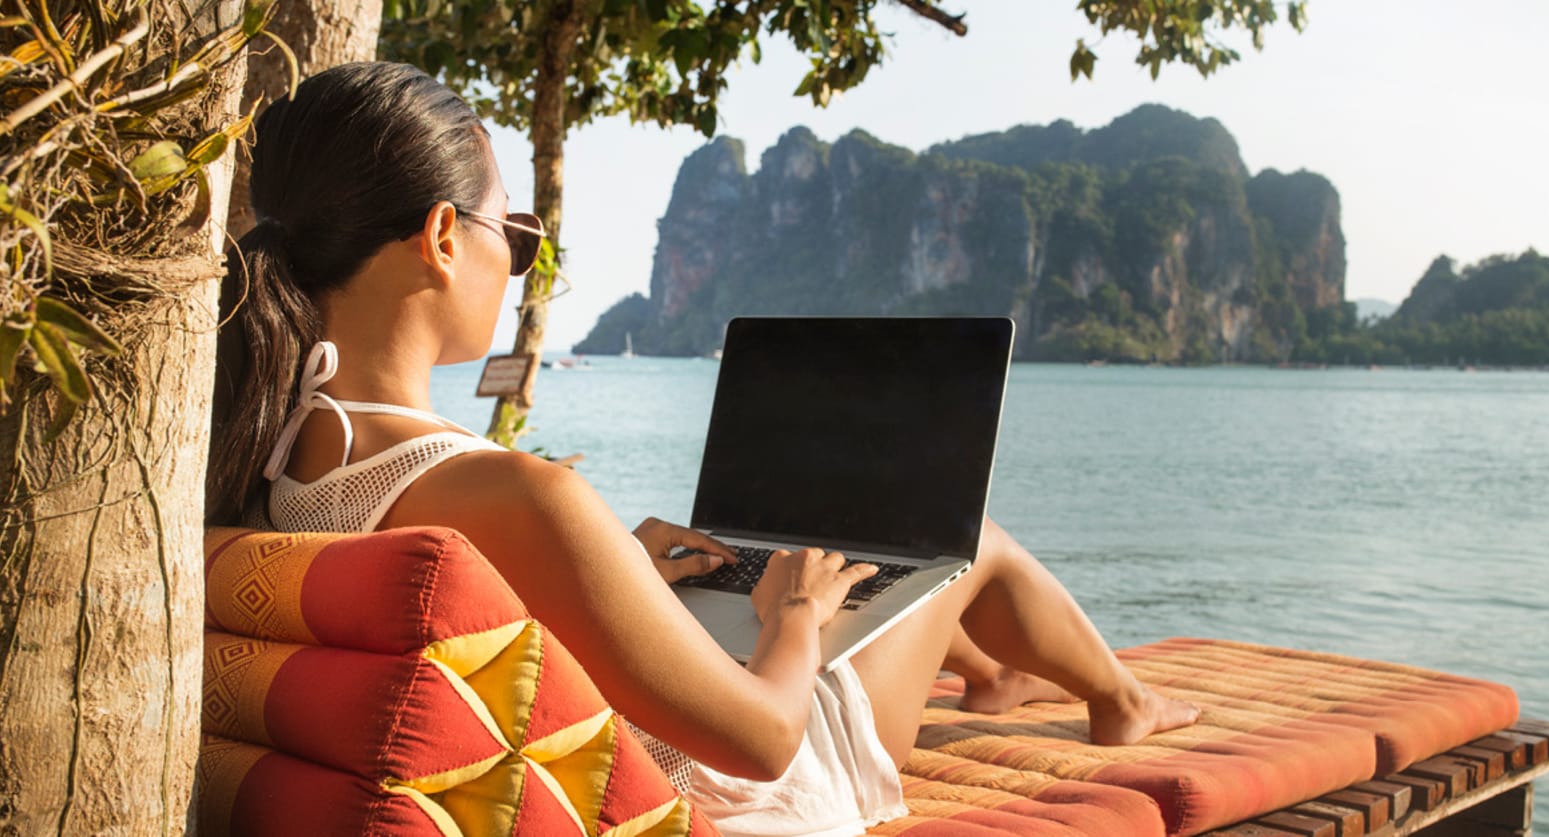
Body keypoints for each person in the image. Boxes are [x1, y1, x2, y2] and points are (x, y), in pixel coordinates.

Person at [207, 62, 1199, 837]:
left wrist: (616, 569)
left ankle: (987, 675)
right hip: (744, 788)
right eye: (516, 229)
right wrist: (798, 617)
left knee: (867, 573)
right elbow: (765, 740)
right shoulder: (515, 496)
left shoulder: (266, 458)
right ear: (440, 235)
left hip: (612, 730)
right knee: (958, 540)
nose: (516, 257)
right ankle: (1122, 701)